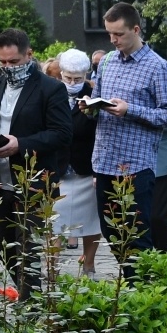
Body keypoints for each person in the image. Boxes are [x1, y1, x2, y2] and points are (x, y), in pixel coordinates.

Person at [0, 28, 72, 294]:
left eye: (13, 62)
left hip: (35, 182)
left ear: (29, 55)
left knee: (28, 250)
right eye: (2, 62)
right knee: (5, 248)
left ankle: (30, 311)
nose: (7, 67)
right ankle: (33, 298)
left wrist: (21, 144)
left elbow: (62, 133)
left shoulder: (51, 88)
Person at [92, 3, 167, 257]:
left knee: (137, 234)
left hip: (136, 164)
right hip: (104, 160)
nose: (113, 40)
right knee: (110, 230)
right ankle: (131, 285)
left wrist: (130, 110)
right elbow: (98, 98)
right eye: (109, 34)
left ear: (136, 29)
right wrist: (88, 107)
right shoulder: (107, 61)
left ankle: (141, 289)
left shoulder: (158, 67)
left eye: (119, 34)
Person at [55, 49, 102, 272]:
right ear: (60, 74)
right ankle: (52, 267)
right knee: (54, 221)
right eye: (68, 78)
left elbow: (101, 132)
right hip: (59, 167)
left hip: (86, 166)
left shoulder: (94, 95)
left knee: (91, 221)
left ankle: (89, 265)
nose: (73, 82)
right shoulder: (53, 94)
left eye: (78, 78)